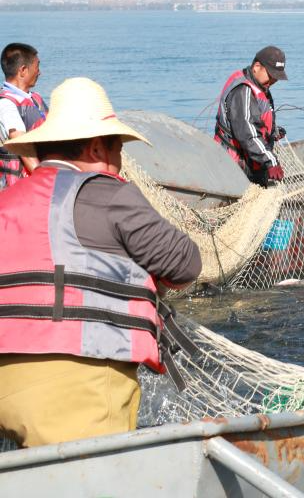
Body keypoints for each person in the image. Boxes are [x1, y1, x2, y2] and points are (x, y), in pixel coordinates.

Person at [0, 77, 201, 448]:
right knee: (94, 475)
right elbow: (185, 263)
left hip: (5, 378)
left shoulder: (8, 199)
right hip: (75, 378)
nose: (120, 163)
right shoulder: (109, 194)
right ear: (96, 147)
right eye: (118, 149)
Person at [213, 46, 287, 187]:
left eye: (276, 77)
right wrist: (271, 161)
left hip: (254, 163)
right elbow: (247, 133)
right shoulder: (243, 91)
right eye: (271, 75)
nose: (273, 80)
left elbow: (257, 121)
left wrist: (273, 132)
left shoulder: (260, 85)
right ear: (257, 67)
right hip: (237, 168)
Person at [0, 42, 48, 190]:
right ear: (23, 70)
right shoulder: (6, 104)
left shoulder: (35, 98)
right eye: (37, 67)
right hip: (22, 188)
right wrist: (44, 180)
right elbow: (21, 144)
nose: (39, 72)